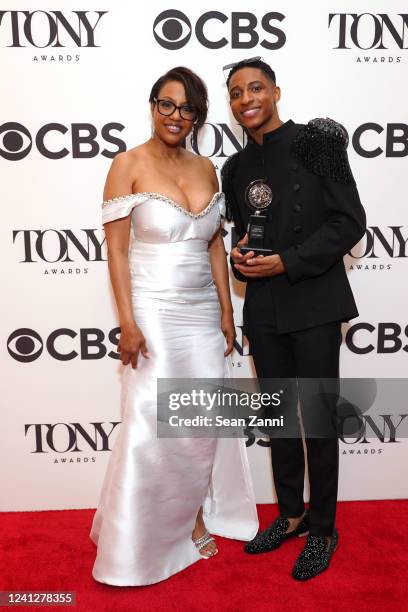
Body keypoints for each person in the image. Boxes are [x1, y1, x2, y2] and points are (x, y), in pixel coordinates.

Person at [89, 66, 258, 586]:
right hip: (153, 313)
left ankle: (196, 515)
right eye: (167, 104)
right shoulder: (128, 164)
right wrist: (126, 321)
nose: (176, 116)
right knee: (149, 423)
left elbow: (212, 242)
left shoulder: (207, 167)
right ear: (153, 106)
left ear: (198, 116)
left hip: (204, 313)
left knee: (199, 423)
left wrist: (228, 313)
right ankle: (138, 539)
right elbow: (116, 249)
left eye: (187, 109)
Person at [221, 58, 366, 581]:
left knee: (319, 420)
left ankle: (324, 529)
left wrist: (289, 260)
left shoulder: (316, 141)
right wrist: (244, 256)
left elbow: (350, 221)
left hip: (315, 301)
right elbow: (250, 231)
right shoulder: (235, 168)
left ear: (276, 91)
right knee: (279, 419)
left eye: (255, 87)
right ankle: (290, 515)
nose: (246, 99)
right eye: (236, 93)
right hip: (262, 306)